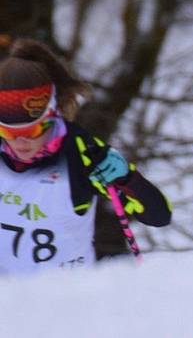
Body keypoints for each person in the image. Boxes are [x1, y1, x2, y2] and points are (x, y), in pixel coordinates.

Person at [0, 39, 171, 273]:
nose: (21, 142)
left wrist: (126, 179)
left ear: (51, 114)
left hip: (67, 297)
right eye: (7, 131)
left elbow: (158, 215)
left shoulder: (81, 152)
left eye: (32, 130)